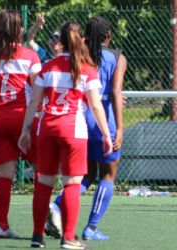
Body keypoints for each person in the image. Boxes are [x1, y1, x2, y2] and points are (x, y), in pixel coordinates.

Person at [18, 21, 113, 249]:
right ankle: (69, 237)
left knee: (44, 183)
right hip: (73, 131)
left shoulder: (48, 66)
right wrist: (106, 134)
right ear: (82, 40)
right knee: (72, 183)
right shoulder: (87, 68)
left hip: (47, 129)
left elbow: (34, 100)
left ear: (59, 40)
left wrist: (25, 129)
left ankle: (37, 237)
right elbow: (96, 105)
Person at [47, 16, 127, 241]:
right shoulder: (117, 57)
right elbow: (115, 93)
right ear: (108, 36)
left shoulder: (79, 54)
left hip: (80, 120)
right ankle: (90, 228)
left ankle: (55, 205)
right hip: (105, 123)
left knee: (86, 174)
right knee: (108, 175)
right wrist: (119, 128)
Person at [0, 9, 41, 239]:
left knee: (5, 176)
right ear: (19, 30)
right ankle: (39, 228)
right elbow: (37, 92)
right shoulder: (30, 56)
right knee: (43, 173)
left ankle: (2, 226)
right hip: (24, 120)